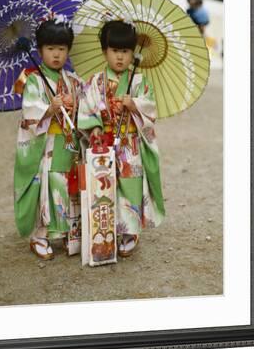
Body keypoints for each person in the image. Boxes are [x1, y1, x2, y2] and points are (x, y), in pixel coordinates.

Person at [77, 20, 165, 258]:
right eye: (115, 51)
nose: (120, 58)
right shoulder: (95, 81)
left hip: (130, 144)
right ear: (105, 51)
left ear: (132, 53)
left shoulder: (139, 81)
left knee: (130, 185)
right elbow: (86, 109)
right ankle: (109, 230)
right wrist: (94, 128)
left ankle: (130, 231)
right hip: (105, 142)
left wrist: (133, 103)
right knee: (107, 187)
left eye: (125, 52)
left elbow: (151, 109)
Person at [13, 19, 83, 260]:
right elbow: (30, 111)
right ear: (40, 50)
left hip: (68, 143)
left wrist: (76, 106)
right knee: (46, 186)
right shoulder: (34, 79)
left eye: (62, 49)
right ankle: (40, 235)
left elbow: (84, 109)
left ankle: (67, 233)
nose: (56, 54)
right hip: (46, 145)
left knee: (68, 185)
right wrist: (50, 109)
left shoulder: (73, 80)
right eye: (51, 48)